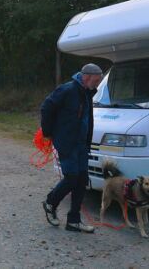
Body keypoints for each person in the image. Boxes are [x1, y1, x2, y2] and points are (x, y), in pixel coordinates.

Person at [40, 63, 103, 233]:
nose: (97, 84)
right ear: (86, 77)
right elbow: (46, 107)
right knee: (72, 178)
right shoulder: (67, 90)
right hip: (67, 142)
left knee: (82, 180)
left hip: (81, 144)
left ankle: (74, 221)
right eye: (96, 81)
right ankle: (50, 203)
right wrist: (48, 132)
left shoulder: (87, 92)